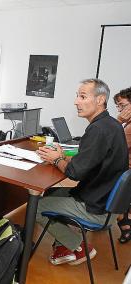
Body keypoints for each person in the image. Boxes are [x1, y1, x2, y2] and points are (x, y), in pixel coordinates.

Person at [36, 78, 128, 266]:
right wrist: (63, 157)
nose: (76, 101)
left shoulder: (98, 130)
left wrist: (56, 159)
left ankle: (79, 247)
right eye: (77, 96)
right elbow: (89, 161)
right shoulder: (111, 124)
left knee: (34, 207)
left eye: (83, 96)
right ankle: (63, 245)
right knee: (51, 192)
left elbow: (75, 173)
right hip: (105, 202)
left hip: (96, 208)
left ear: (100, 100)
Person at [113, 87, 131, 244]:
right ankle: (125, 220)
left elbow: (113, 146)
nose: (119, 109)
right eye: (117, 106)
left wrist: (118, 120)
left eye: (122, 105)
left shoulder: (129, 127)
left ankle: (123, 219)